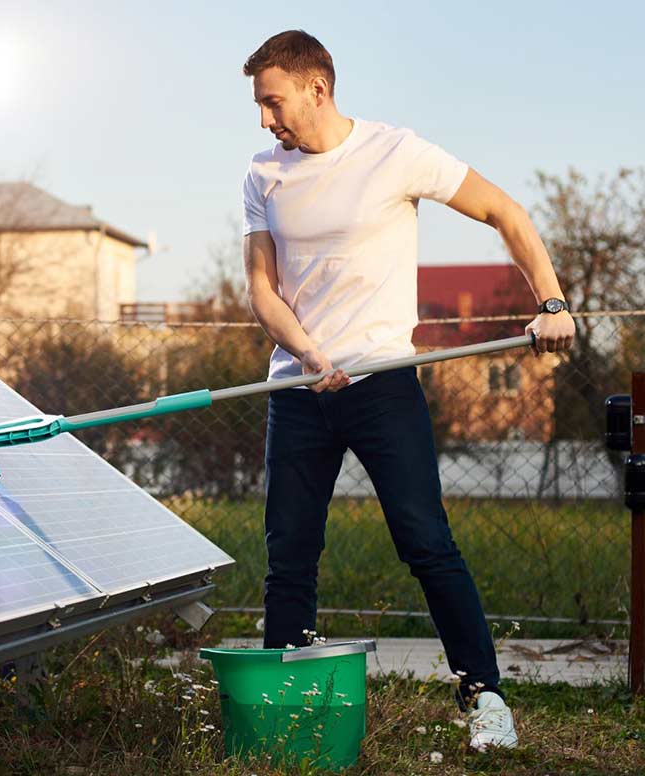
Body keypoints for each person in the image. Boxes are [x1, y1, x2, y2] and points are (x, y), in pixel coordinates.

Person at [241, 30, 575, 752]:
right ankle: (282, 711)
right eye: (261, 107)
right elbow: (262, 289)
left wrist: (550, 303)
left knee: (426, 543)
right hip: (298, 388)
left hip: (383, 382)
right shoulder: (264, 172)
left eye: (273, 102)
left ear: (316, 88)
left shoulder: (396, 153)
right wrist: (305, 350)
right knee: (289, 554)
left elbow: (505, 215)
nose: (267, 120)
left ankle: (485, 698)